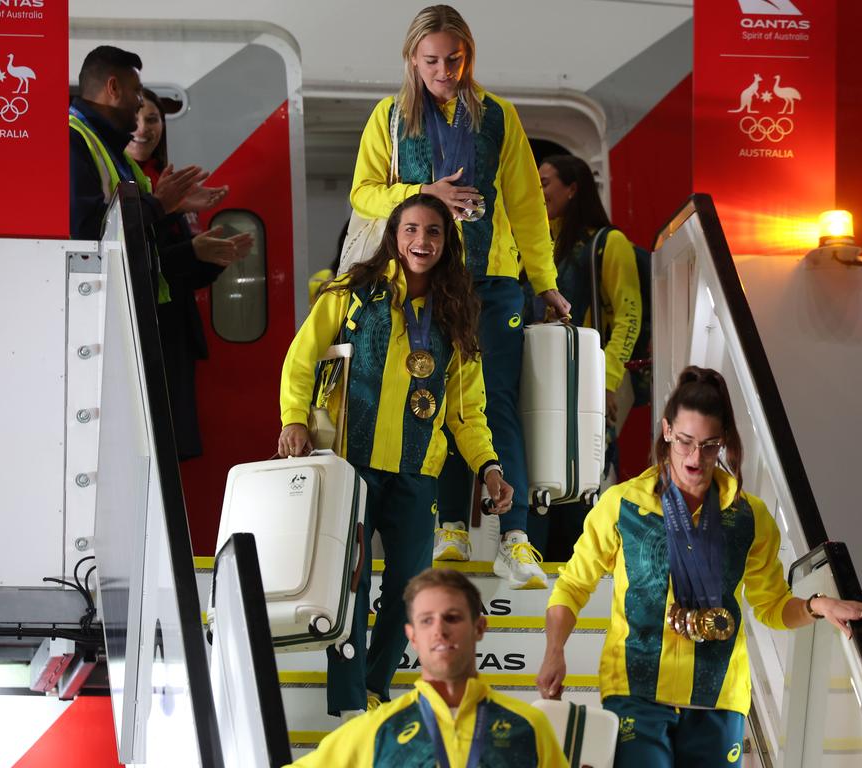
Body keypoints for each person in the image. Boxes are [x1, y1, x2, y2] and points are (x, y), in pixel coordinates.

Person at [536, 366, 862, 767]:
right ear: (666, 431)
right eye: (684, 441)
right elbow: (573, 585)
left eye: (708, 445)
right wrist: (554, 650)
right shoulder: (623, 505)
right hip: (637, 689)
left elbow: (771, 606)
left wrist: (819, 606)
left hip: (720, 698)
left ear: (723, 444)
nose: (695, 459)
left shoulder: (751, 517)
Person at [348, 4, 570, 589]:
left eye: (455, 59)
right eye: (432, 61)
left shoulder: (499, 116)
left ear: (468, 56)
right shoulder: (390, 118)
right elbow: (364, 193)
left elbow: (526, 205)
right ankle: (450, 525)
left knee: (496, 404)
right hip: (419, 281)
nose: (444, 70)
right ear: (411, 61)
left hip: (493, 283)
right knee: (434, 400)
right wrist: (425, 191)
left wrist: (544, 282)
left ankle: (515, 537)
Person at [277, 194, 513, 720]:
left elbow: (466, 411)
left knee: (410, 590)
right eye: (410, 230)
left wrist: (489, 467)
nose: (421, 242)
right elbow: (301, 360)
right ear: (394, 235)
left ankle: (375, 686)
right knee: (353, 585)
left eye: (432, 232)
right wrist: (294, 418)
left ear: (446, 242)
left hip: (415, 474)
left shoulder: (456, 315)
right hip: (350, 467)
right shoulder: (351, 295)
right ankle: (348, 703)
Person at [288, 568, 568, 767]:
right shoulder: (378, 730)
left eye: (452, 617)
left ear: (479, 627)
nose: (439, 631)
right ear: (412, 636)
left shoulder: (529, 726)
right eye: (426, 621)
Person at [526, 154, 644, 559]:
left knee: (586, 472)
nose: (537, 192)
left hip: (593, 380)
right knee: (543, 468)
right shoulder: (537, 244)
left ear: (573, 188)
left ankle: (583, 562)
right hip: (547, 381)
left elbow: (629, 313)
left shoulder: (606, 242)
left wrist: (607, 381)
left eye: (544, 183)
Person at [125, 89, 252, 460]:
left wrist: (214, 258)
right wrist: (189, 248)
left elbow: (176, 272)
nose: (143, 128)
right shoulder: (128, 182)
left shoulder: (162, 182)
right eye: (135, 118)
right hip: (143, 335)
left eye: (152, 119)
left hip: (173, 336)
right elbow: (134, 261)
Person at [70, 46, 209, 242]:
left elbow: (138, 237)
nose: (141, 102)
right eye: (137, 91)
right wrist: (158, 203)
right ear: (114, 88)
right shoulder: (72, 140)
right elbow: (87, 229)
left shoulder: (113, 149)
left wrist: (173, 207)